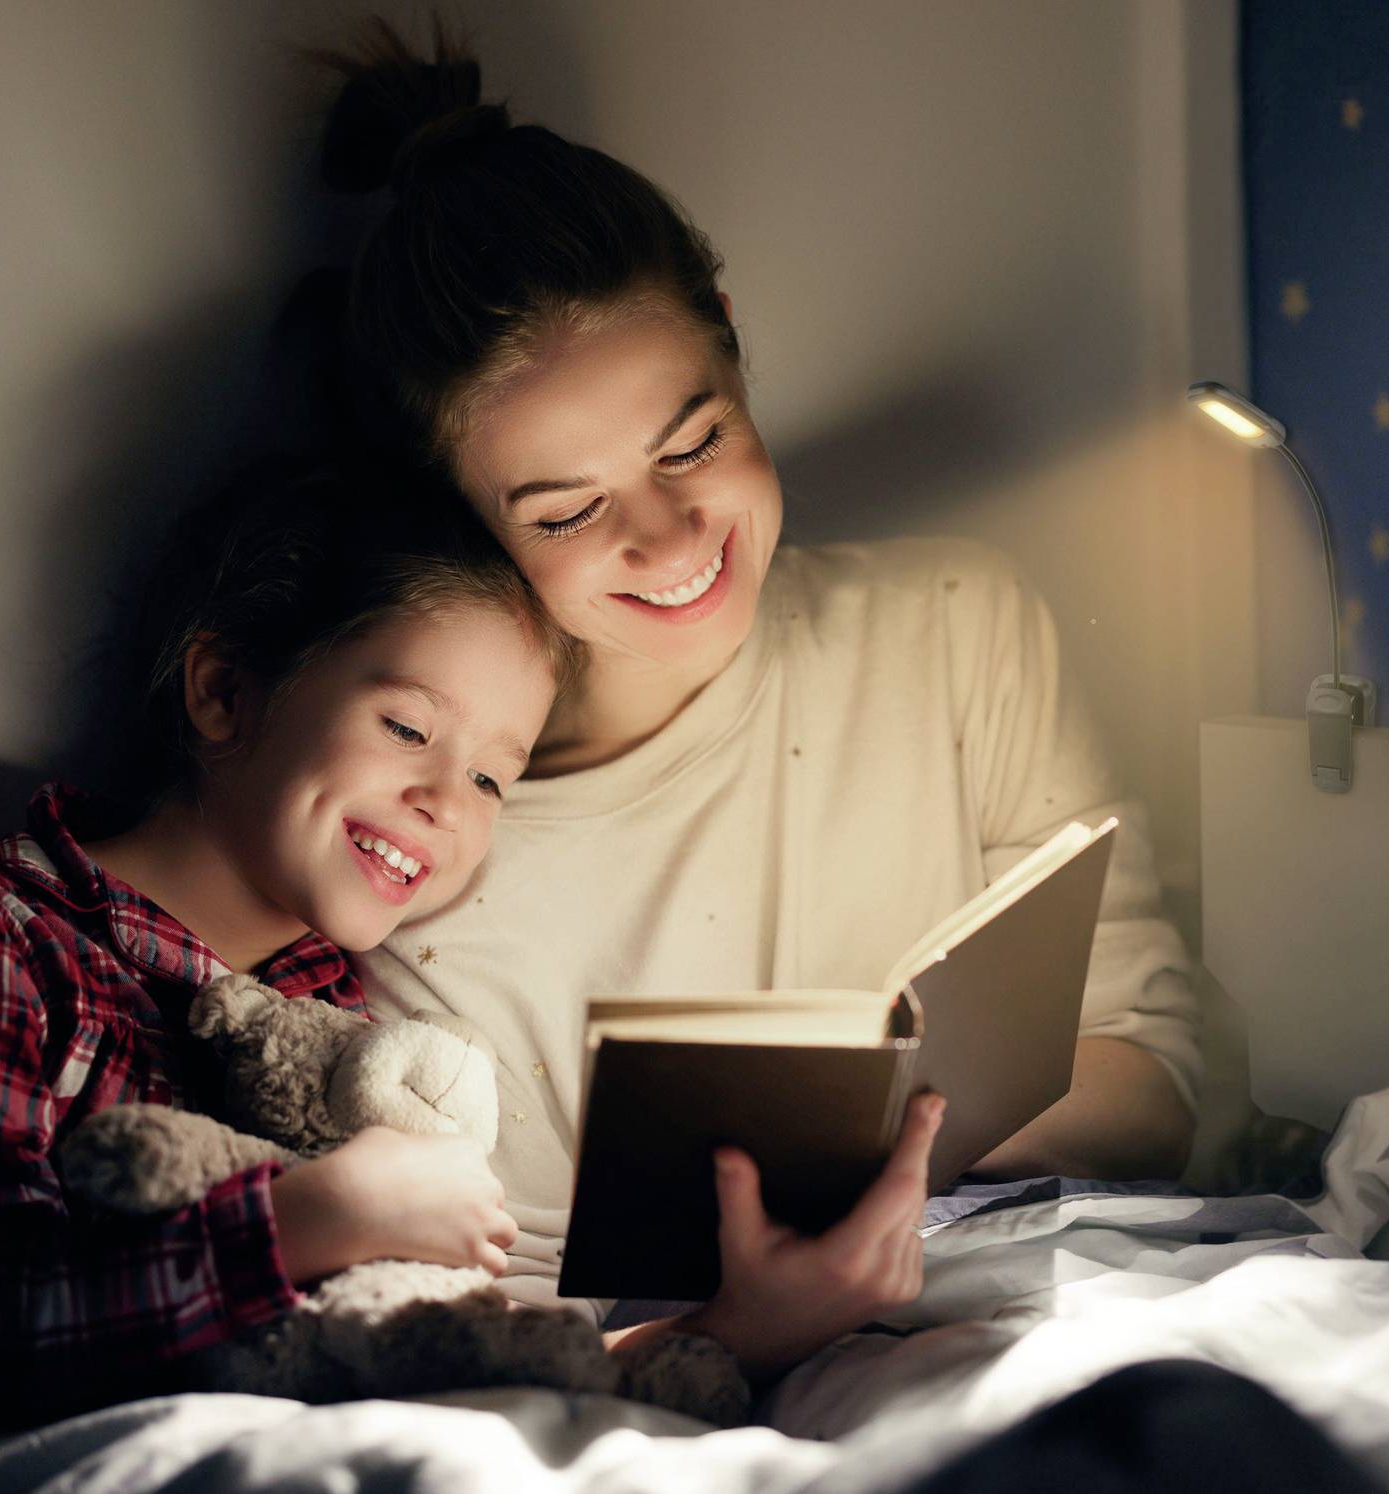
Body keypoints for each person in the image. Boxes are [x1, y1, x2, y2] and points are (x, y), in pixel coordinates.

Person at [315, 22, 1202, 1380]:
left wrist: (898, 1148)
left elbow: (1159, 1074)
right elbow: (518, 1332)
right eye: (569, 510)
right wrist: (747, 1321)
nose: (672, 541)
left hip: (1024, 1285)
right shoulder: (435, 854)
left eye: (695, 443)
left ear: (732, 348)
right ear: (468, 523)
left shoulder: (956, 627)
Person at [0, 460, 573, 1421]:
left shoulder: (345, 1025)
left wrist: (706, 1336)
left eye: (492, 780)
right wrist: (300, 1225)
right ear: (224, 690)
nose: (446, 804)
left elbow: (386, 1340)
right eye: (407, 726)